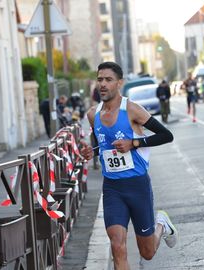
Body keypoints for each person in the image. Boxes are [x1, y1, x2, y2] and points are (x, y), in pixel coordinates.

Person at [81, 62, 178, 270]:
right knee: (117, 245)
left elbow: (166, 135)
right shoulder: (93, 114)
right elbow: (104, 145)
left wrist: (133, 143)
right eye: (100, 79)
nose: (103, 84)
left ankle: (161, 224)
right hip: (112, 188)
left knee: (148, 252)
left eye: (108, 79)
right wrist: (92, 152)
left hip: (137, 186)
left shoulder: (132, 109)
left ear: (119, 83)